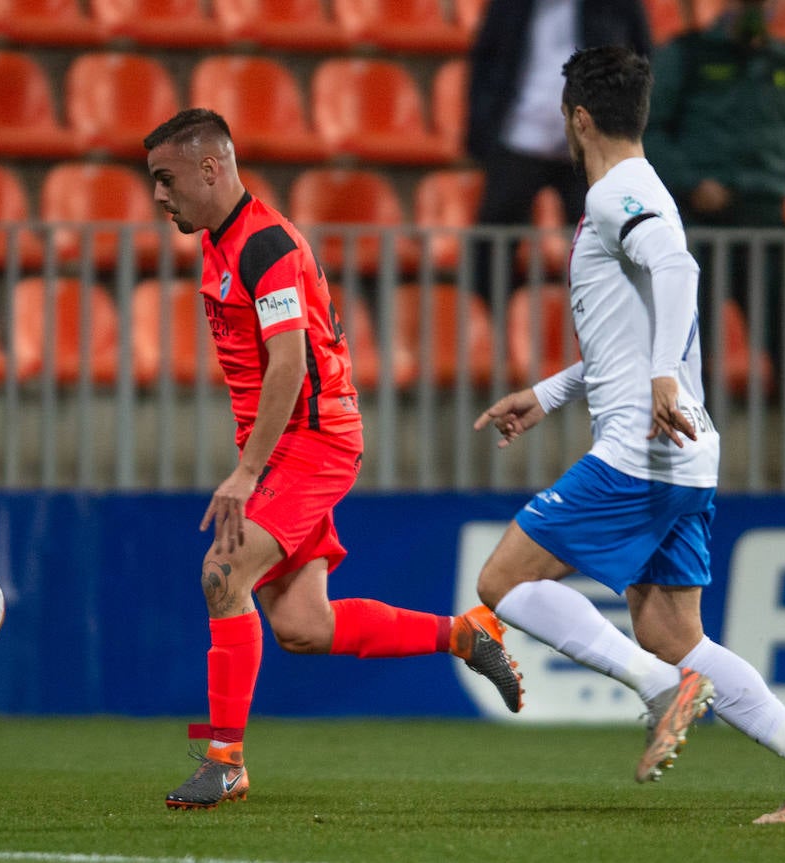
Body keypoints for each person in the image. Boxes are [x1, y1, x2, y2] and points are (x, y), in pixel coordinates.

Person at [472, 46, 785, 824]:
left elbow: (679, 269)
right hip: (685, 452)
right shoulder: (638, 189)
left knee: (502, 584)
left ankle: (658, 690)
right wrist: (551, 394)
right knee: (670, 629)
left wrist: (661, 378)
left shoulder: (621, 191)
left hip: (639, 449)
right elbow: (629, 331)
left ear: (577, 118)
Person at [143, 109, 524, 811]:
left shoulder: (264, 247)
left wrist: (248, 471)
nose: (159, 197)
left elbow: (288, 363)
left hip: (312, 443)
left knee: (222, 572)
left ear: (210, 168)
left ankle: (225, 760)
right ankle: (467, 634)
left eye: (166, 180)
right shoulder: (223, 241)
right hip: (287, 443)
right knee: (302, 627)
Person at [642, 0, 785, 489]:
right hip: (698, 230)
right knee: (685, 359)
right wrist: (691, 181)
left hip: (765, 226)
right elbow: (652, 132)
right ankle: (679, 469)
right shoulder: (686, 55)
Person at [465, 0, 651, 298]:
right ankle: (486, 328)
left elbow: (641, 58)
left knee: (603, 250)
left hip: (591, 143)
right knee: (493, 246)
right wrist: (480, 133)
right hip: (519, 137)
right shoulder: (509, 6)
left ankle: (605, 332)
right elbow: (486, 58)